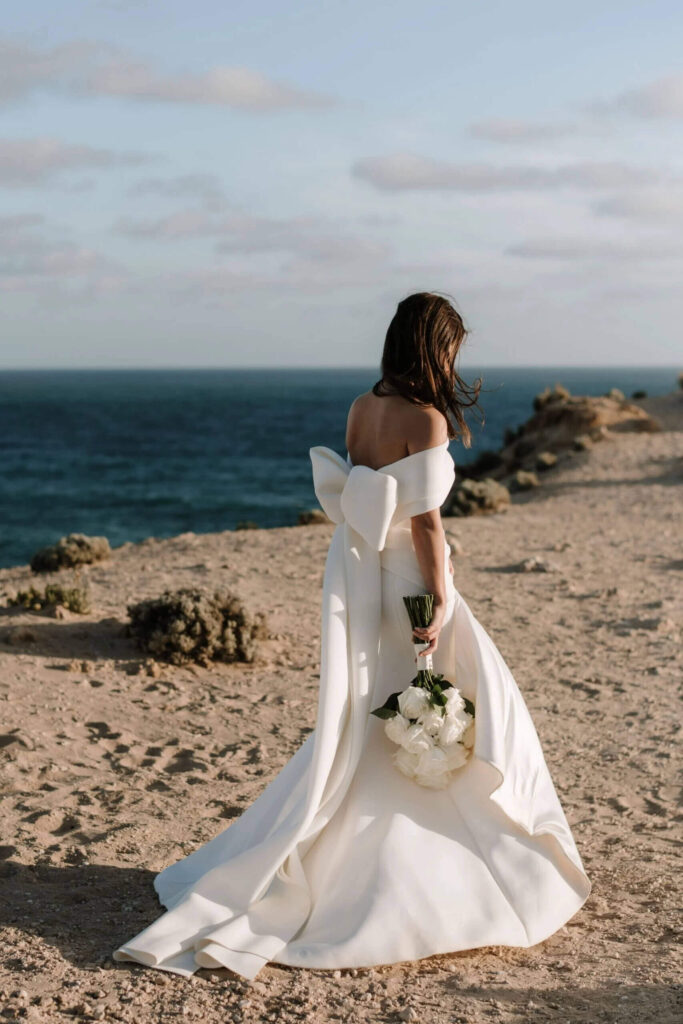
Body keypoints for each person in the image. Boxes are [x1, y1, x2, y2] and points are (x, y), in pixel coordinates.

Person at [113, 291, 591, 980]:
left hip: (357, 567)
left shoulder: (360, 409)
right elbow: (424, 523)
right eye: (452, 345)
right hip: (404, 575)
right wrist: (438, 596)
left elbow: (365, 492)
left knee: (377, 703)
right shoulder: (424, 418)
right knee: (451, 696)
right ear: (435, 346)